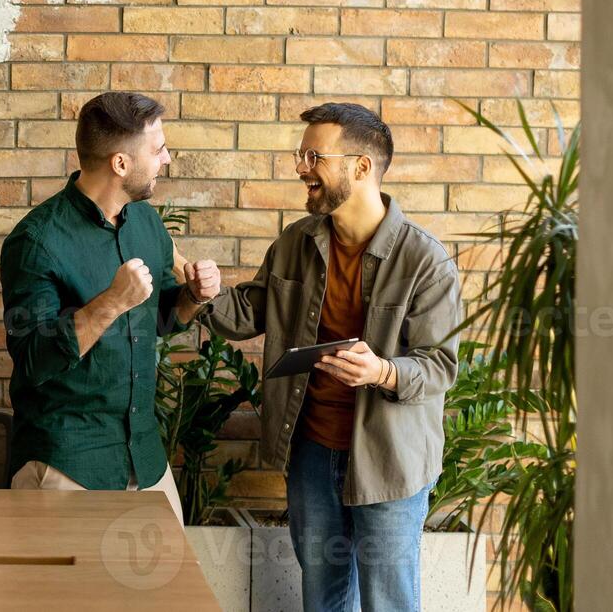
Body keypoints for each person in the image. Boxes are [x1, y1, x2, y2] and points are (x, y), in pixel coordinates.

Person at [179, 102, 461, 612]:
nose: (300, 166)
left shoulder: (426, 261)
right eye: (300, 153)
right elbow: (250, 310)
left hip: (390, 461)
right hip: (311, 451)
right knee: (323, 598)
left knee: (388, 603)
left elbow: (440, 364)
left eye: (314, 155)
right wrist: (199, 292)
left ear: (361, 166)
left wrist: (384, 371)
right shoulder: (296, 242)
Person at [0, 91, 220, 524]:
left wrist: (193, 296)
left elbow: (158, 323)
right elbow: (33, 360)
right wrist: (111, 302)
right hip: (68, 464)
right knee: (63, 595)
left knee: (168, 588)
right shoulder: (36, 241)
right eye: (157, 150)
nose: (167, 159)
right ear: (121, 164)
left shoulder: (147, 223)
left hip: (145, 459)